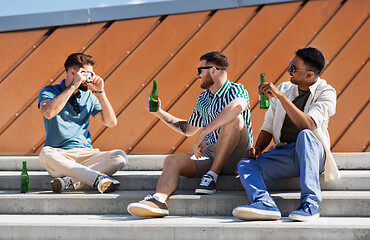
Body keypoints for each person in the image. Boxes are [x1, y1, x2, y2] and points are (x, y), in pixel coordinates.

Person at [127, 51, 253, 217]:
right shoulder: (203, 99)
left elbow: (236, 108)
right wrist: (159, 112)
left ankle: (212, 176)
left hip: (237, 154)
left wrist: (205, 132)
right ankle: (158, 201)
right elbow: (187, 129)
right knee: (172, 160)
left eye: (200, 70)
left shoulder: (237, 89)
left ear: (213, 70)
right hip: (210, 153)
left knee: (234, 120)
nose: (197, 75)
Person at [232, 47, 341, 222]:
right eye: (290, 65)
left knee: (305, 136)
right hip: (286, 154)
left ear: (309, 74)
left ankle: (310, 204)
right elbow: (268, 126)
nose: (288, 70)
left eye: (294, 68)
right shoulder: (285, 88)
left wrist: (281, 97)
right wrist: (258, 148)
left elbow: (309, 124)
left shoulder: (326, 93)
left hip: (312, 154)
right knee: (245, 164)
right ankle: (264, 203)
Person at [38, 53, 127, 194]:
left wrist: (100, 91)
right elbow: (48, 112)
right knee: (45, 153)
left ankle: (70, 180)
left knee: (120, 156)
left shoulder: (89, 97)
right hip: (60, 155)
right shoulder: (49, 91)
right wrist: (74, 86)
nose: (89, 79)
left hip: (86, 154)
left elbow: (111, 122)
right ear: (73, 72)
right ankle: (97, 178)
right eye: (87, 74)